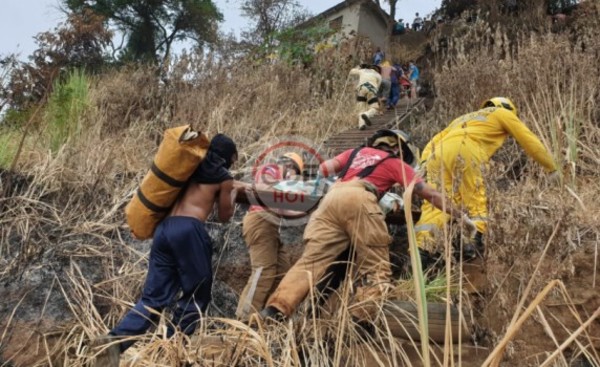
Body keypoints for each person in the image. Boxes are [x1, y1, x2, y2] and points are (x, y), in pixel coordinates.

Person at [260, 129, 475, 322]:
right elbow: (429, 193)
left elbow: (325, 169)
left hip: (330, 200)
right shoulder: (394, 163)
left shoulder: (354, 153)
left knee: (310, 263)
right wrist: (459, 215)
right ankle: (361, 320)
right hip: (360, 198)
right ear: (397, 149)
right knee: (376, 267)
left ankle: (275, 310)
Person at [94, 134, 239, 367]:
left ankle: (114, 342)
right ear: (229, 157)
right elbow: (224, 216)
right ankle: (173, 350)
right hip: (189, 230)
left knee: (153, 298)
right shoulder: (224, 178)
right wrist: (230, 195)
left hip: (164, 230)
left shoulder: (189, 166)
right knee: (197, 294)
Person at [415, 97, 558, 257]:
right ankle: (471, 244)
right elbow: (529, 140)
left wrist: (423, 163)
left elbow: (433, 141)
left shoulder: (463, 118)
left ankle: (422, 251)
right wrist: (551, 167)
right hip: (466, 149)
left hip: (437, 155)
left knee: (438, 203)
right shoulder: (502, 112)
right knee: (475, 198)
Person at [235, 152, 305, 321]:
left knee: (281, 270)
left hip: (269, 224)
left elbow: (284, 210)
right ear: (290, 166)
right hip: (260, 220)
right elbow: (267, 192)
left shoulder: (279, 179)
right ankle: (243, 319)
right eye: (296, 174)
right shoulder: (270, 170)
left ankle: (265, 318)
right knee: (262, 270)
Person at [349, 64, 382, 130]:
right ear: (378, 70)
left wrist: (358, 67)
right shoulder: (378, 75)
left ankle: (361, 125)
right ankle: (367, 114)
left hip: (361, 89)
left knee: (361, 108)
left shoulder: (363, 71)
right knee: (374, 108)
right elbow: (377, 87)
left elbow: (351, 72)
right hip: (371, 90)